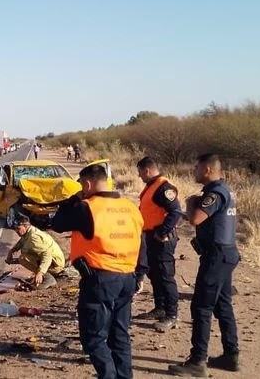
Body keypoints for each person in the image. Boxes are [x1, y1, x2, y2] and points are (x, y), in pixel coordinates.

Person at [51, 164, 143, 379]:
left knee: (93, 336)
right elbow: (141, 241)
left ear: (88, 184)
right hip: (127, 276)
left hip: (101, 279)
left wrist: (72, 200)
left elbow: (57, 223)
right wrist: (140, 274)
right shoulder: (130, 207)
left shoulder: (87, 207)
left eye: (82, 185)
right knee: (119, 334)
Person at [168, 154, 241, 377]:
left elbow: (196, 219)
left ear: (208, 169)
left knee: (201, 307)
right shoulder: (226, 190)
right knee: (222, 304)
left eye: (197, 167)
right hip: (226, 253)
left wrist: (190, 204)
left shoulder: (215, 193)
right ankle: (231, 355)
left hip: (216, 256)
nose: (194, 171)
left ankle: (198, 361)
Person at [133, 157, 184, 332]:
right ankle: (160, 307)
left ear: (146, 170)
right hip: (151, 236)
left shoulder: (164, 187)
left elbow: (176, 212)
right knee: (154, 274)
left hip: (163, 239)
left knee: (165, 276)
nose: (139, 176)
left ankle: (172, 314)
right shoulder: (151, 186)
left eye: (140, 172)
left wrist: (162, 231)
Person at [5, 214, 74, 289]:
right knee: (25, 254)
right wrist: (12, 251)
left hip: (56, 265)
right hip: (54, 262)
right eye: (15, 229)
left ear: (25, 226)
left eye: (18, 229)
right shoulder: (28, 232)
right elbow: (22, 242)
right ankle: (44, 274)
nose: (16, 231)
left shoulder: (34, 238)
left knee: (23, 259)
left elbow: (47, 255)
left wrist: (40, 273)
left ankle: (48, 278)